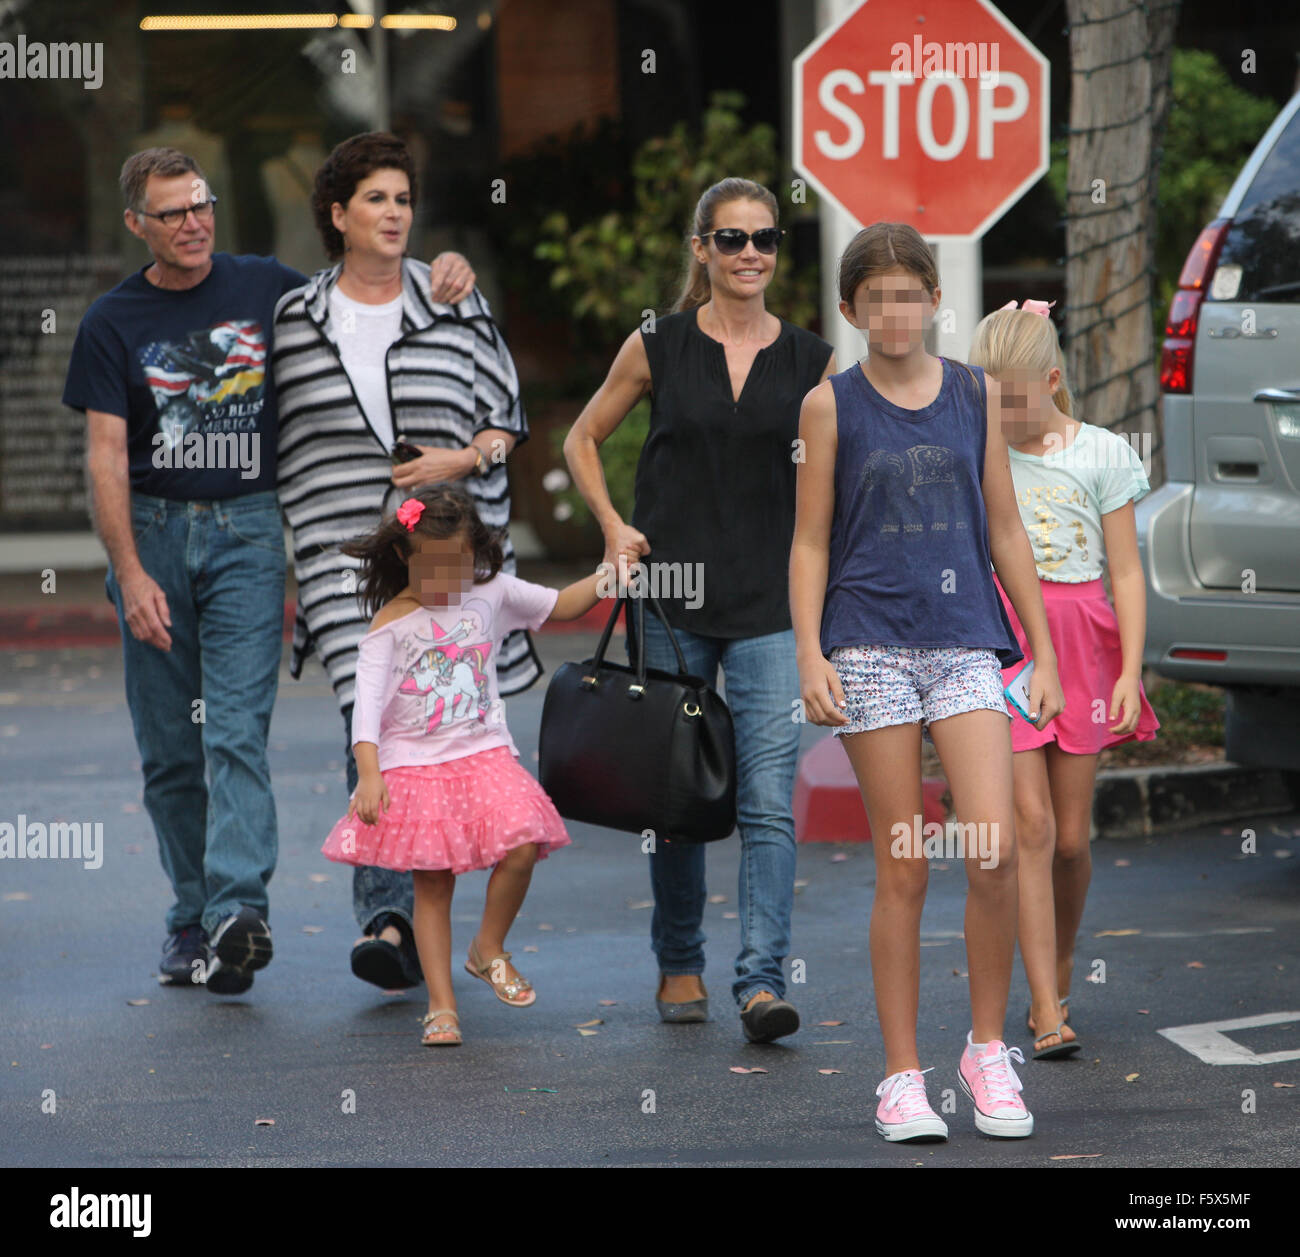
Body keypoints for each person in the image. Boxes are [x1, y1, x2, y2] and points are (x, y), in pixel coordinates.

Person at [62, 146, 473, 995]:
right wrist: (130, 572)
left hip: (249, 532)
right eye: (171, 213)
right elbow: (105, 459)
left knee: (234, 731)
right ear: (138, 224)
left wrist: (443, 271)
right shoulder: (112, 321)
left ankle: (237, 912)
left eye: (202, 204)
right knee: (171, 751)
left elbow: (364, 286)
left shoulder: (268, 289)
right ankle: (191, 915)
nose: (193, 223)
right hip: (153, 530)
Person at [789, 222, 1065, 1142]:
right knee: (904, 863)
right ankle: (900, 1075)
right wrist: (809, 653)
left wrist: (1044, 651)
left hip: (963, 642)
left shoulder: (975, 394)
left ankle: (987, 1050)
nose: (895, 312)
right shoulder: (829, 406)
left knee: (991, 848)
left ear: (935, 300)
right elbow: (811, 541)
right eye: (877, 298)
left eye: (910, 294)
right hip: (866, 644)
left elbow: (1006, 527)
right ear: (851, 308)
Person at [564, 177, 835, 1043]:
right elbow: (581, 437)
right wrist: (613, 529)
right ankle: (679, 958)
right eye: (731, 239)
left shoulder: (813, 359)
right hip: (670, 605)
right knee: (673, 798)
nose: (750, 252)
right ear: (701, 250)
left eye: (764, 238)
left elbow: (838, 482)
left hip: (766, 607)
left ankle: (759, 983)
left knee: (765, 803)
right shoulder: (658, 343)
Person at [274, 132, 533, 995]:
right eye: (375, 200)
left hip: (446, 552)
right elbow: (284, 440)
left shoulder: (451, 295)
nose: (394, 213)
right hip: (342, 552)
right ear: (338, 215)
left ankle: (426, 904)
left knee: (436, 714)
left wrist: (462, 459)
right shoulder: (295, 317)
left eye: (403, 199)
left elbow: (505, 419)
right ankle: (388, 913)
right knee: (372, 706)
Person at [319, 486, 607, 1044]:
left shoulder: (491, 593)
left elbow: (561, 605)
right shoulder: (390, 624)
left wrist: (612, 573)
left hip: (484, 754)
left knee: (523, 843)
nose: (445, 580)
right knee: (433, 887)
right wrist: (370, 773)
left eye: (457, 565)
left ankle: (488, 947)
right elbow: (365, 712)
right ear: (404, 556)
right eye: (431, 567)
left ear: (474, 552)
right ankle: (442, 1007)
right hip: (415, 767)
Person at [968, 301, 1159, 1061]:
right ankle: (1045, 1005)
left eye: (1014, 396)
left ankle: (1061, 963)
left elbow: (1125, 571)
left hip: (1085, 642)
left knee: (1072, 839)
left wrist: (1130, 670)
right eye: (989, 397)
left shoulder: (1104, 454)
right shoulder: (980, 453)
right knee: (1031, 828)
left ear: (1050, 380)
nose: (1003, 412)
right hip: (1008, 643)